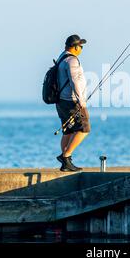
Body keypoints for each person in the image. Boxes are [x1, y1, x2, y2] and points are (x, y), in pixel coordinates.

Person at [55, 34, 91, 172]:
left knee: (68, 130)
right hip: (72, 101)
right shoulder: (72, 61)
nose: (81, 48)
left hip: (61, 101)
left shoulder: (62, 57)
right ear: (75, 47)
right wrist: (81, 100)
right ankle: (66, 156)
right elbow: (74, 81)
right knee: (84, 128)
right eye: (80, 46)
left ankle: (66, 164)